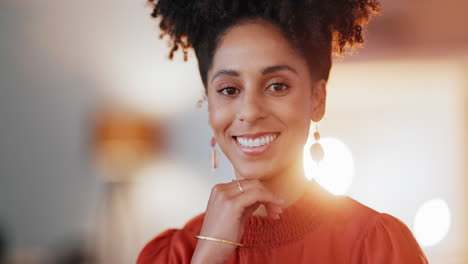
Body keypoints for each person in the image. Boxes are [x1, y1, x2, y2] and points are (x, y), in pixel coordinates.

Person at [138, 0, 429, 263]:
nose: (250, 111)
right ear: (209, 105)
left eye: (277, 86)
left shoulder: (373, 245)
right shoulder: (172, 255)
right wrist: (209, 256)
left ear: (317, 99)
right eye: (229, 89)